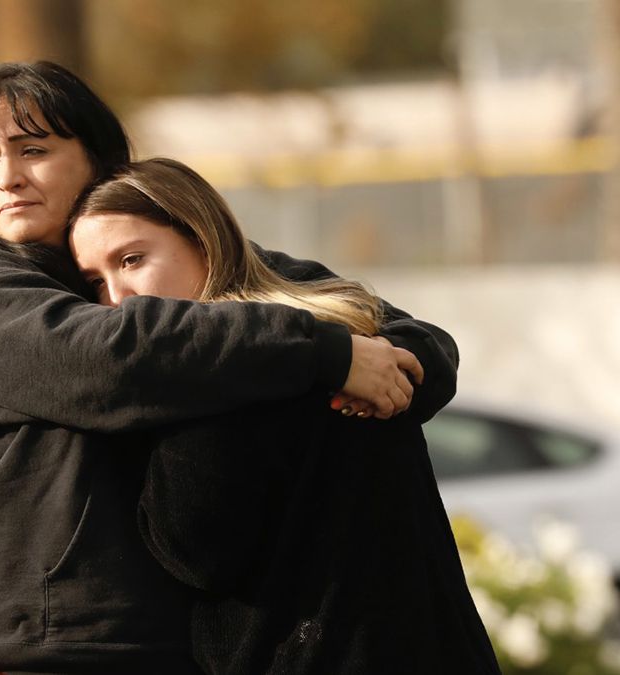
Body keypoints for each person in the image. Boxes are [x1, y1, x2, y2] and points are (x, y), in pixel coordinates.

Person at [0, 61, 451, 675]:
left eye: (34, 149)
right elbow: (113, 358)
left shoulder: (152, 249)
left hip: (171, 653)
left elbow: (361, 318)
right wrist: (326, 355)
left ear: (98, 161)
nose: (7, 177)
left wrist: (405, 366)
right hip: (23, 657)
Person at [68, 157, 499, 674]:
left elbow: (198, 553)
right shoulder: (346, 332)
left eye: (133, 259)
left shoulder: (223, 378)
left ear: (203, 240)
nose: (117, 299)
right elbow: (427, 356)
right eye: (95, 281)